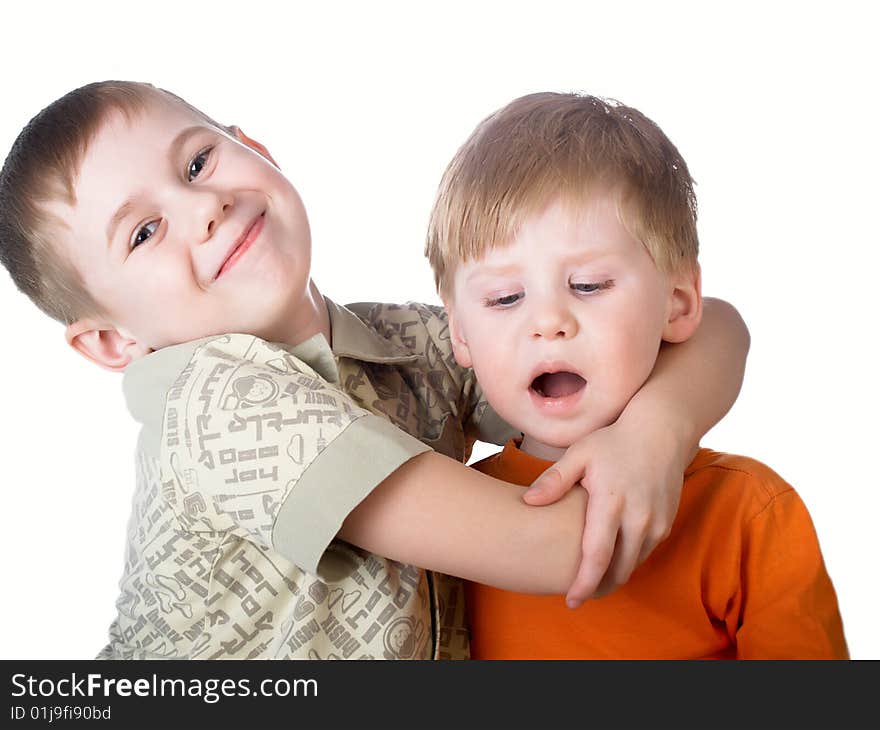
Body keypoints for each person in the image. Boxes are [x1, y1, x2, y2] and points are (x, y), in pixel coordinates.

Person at [0, 81, 749, 659]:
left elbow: (708, 324)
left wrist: (656, 427)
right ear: (109, 344)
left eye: (197, 162)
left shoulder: (400, 345)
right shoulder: (215, 407)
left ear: (255, 145)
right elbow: (560, 549)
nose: (205, 207)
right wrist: (656, 438)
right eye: (143, 231)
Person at [425, 91, 848, 659]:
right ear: (460, 335)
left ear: (677, 303)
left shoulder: (748, 512)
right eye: (505, 297)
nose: (548, 321)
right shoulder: (456, 515)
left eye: (589, 285)